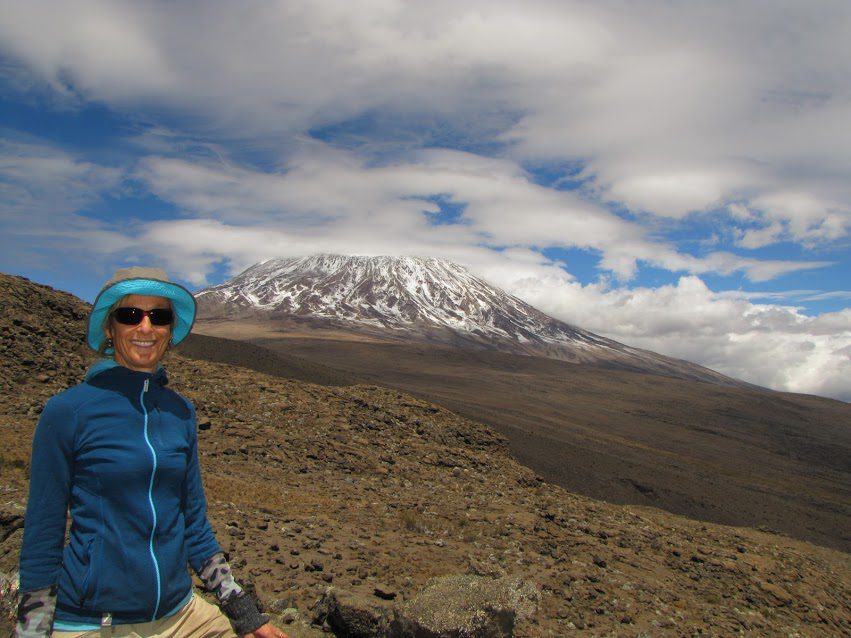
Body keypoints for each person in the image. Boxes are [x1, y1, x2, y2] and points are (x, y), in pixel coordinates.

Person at [15, 267, 288, 638]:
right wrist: (32, 629)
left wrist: (243, 612)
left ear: (169, 332)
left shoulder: (179, 412)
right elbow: (43, 531)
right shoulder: (69, 412)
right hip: (96, 621)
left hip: (182, 613)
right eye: (130, 315)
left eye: (158, 317)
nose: (145, 328)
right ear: (110, 330)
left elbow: (193, 520)